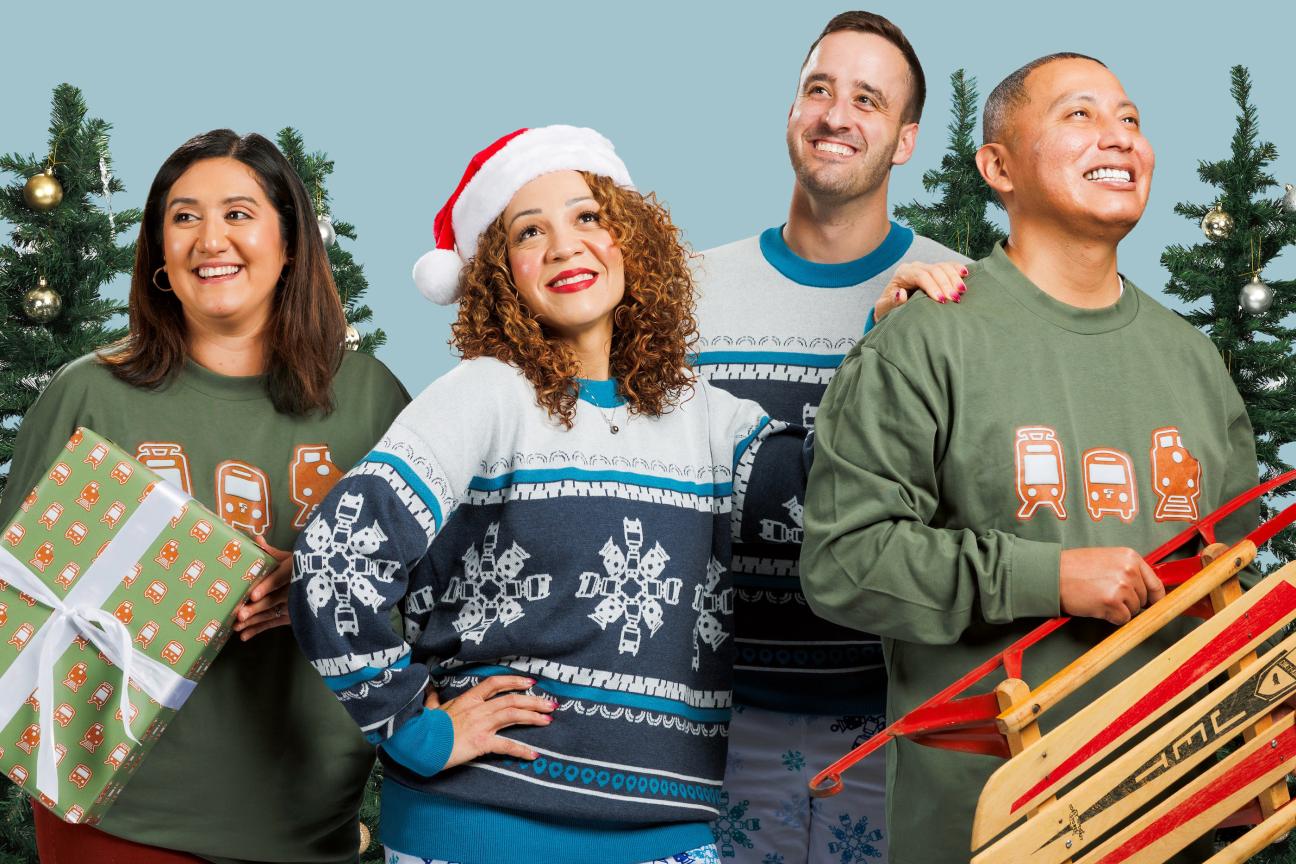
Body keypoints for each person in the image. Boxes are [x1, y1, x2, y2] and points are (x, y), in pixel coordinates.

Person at [290, 125, 962, 864]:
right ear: (497, 274)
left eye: (587, 217)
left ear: (629, 238)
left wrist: (885, 345)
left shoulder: (705, 416)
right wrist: (416, 729)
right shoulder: (485, 395)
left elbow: (827, 494)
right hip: (484, 827)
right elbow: (332, 563)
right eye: (529, 231)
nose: (563, 245)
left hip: (667, 835)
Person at [800, 53, 1260, 863]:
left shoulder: (1194, 361)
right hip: (983, 833)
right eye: (1079, 115)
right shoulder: (924, 341)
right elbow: (843, 561)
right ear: (998, 166)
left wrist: (1239, 747)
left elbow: (1235, 587)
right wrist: (1050, 577)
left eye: (1131, 118)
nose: (1118, 137)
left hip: (1175, 829)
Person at [0, 129, 409, 864]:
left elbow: (438, 590)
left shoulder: (370, 401)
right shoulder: (89, 394)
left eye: (239, 214)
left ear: (290, 245)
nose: (209, 239)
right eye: (184, 217)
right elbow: (12, 601)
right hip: (118, 819)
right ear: (159, 253)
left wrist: (317, 582)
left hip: (311, 820)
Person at [692, 11, 967, 862]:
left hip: (894, 724)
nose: (836, 115)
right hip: (711, 722)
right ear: (790, 113)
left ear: (905, 139)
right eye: (819, 89)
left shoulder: (958, 297)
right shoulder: (692, 295)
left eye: (867, 100)